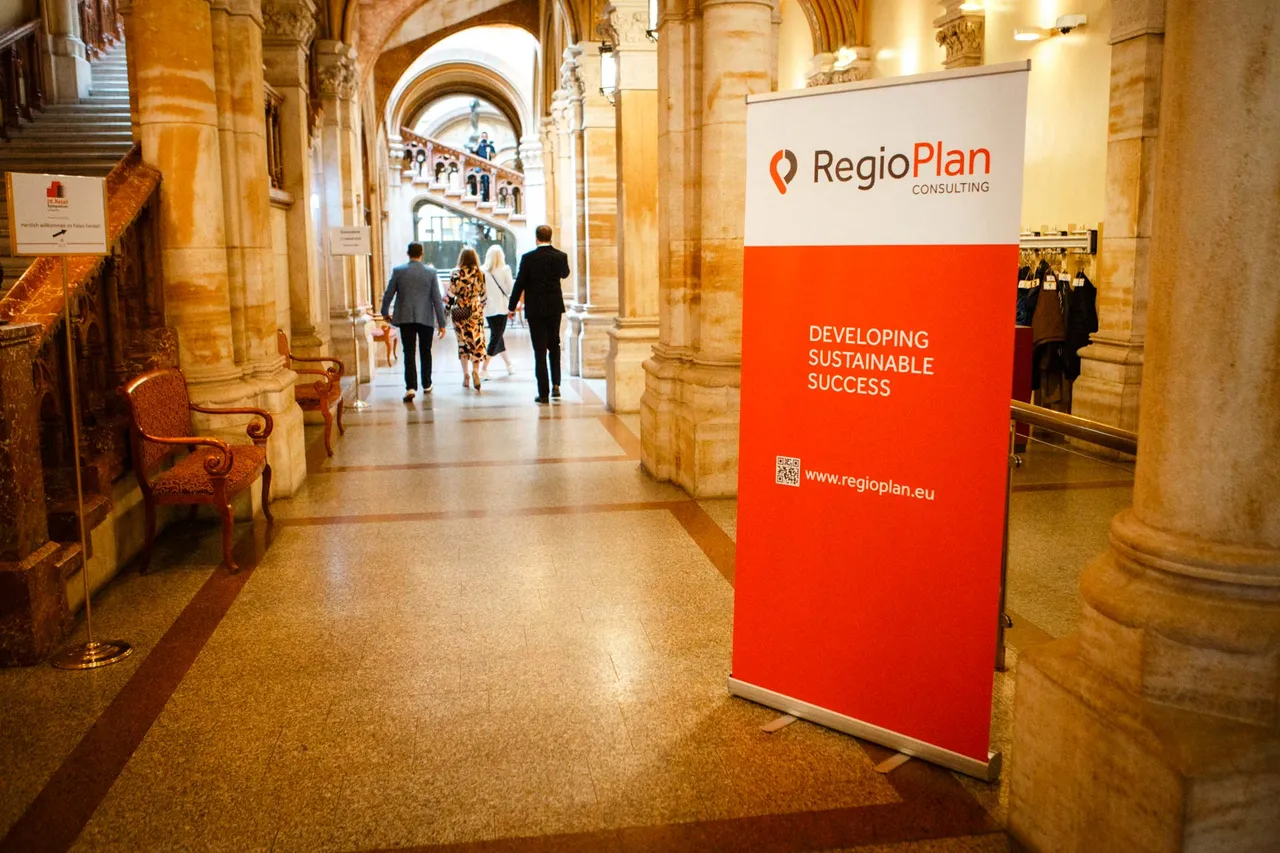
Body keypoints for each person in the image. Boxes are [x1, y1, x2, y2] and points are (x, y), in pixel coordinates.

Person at [508, 225, 569, 404]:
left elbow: (519, 283)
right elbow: (565, 274)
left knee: (540, 350)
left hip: (535, 310)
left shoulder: (528, 258)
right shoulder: (560, 256)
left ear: (537, 238)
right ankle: (556, 385)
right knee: (555, 345)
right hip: (554, 308)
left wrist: (511, 306)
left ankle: (543, 393)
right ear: (551, 237)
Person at [380, 242, 446, 402]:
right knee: (426, 351)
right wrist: (442, 323)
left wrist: (384, 312)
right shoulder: (431, 273)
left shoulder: (398, 271)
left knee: (408, 352)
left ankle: (410, 387)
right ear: (421, 253)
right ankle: (427, 383)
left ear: (408, 253)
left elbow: (388, 293)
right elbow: (437, 300)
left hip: (406, 318)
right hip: (425, 318)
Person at [448, 247, 488, 391]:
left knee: (462, 343)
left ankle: (465, 375)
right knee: (477, 342)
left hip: (459, 310)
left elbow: (451, 295)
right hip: (475, 310)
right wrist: (479, 306)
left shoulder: (455, 273)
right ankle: (475, 371)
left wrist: (446, 310)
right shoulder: (480, 273)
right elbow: (484, 296)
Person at [481, 245, 515, 379]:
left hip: (488, 309)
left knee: (497, 335)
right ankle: (483, 368)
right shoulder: (505, 269)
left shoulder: (482, 271)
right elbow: (510, 290)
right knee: (496, 337)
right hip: (501, 308)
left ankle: (509, 364)